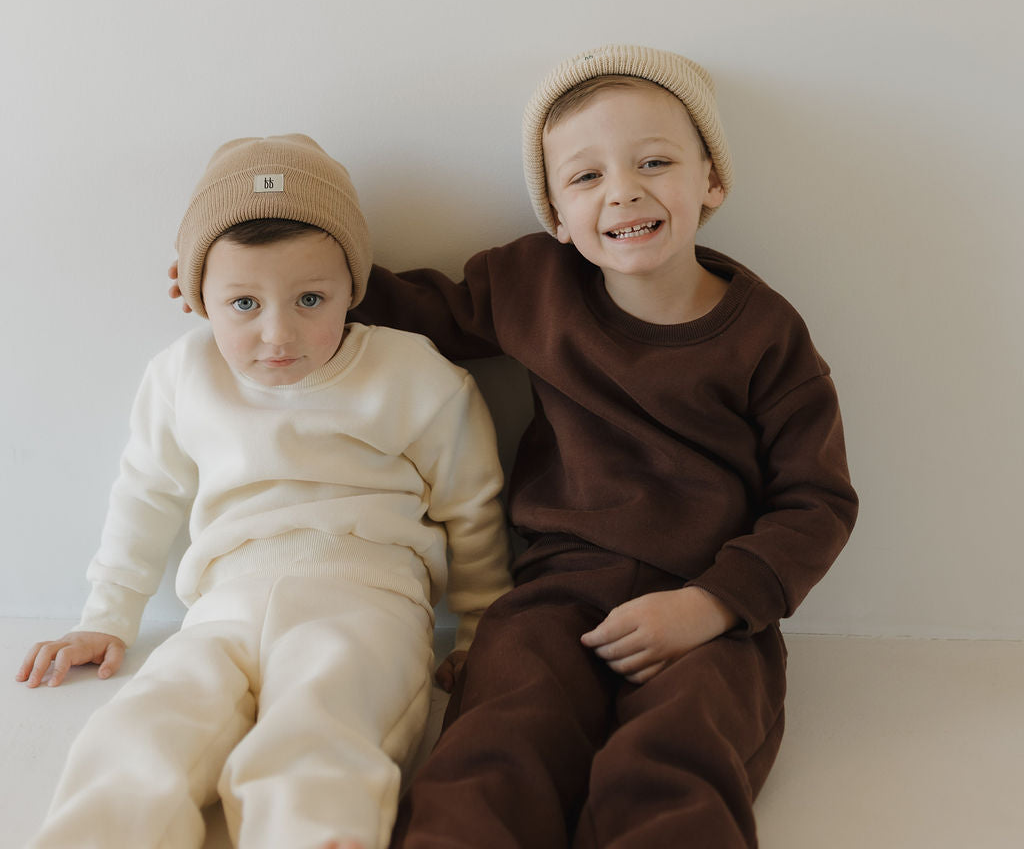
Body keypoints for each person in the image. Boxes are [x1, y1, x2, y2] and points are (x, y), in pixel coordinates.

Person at [351, 44, 859, 849]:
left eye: (654, 161)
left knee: (679, 753)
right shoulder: (533, 283)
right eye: (586, 177)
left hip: (709, 600)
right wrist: (287, 280)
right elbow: (422, 311)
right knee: (498, 736)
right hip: (558, 588)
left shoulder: (766, 335)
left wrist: (714, 606)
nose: (623, 189)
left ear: (711, 182)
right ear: (555, 213)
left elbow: (817, 499)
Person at [17, 134, 511, 849]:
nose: (278, 333)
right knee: (147, 725)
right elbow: (146, 494)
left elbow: (473, 505)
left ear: (353, 287)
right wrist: (108, 617)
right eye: (243, 303)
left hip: (367, 599)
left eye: (310, 298)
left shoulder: (414, 376)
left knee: (325, 722)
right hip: (222, 605)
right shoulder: (182, 375)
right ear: (195, 297)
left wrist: (480, 630)